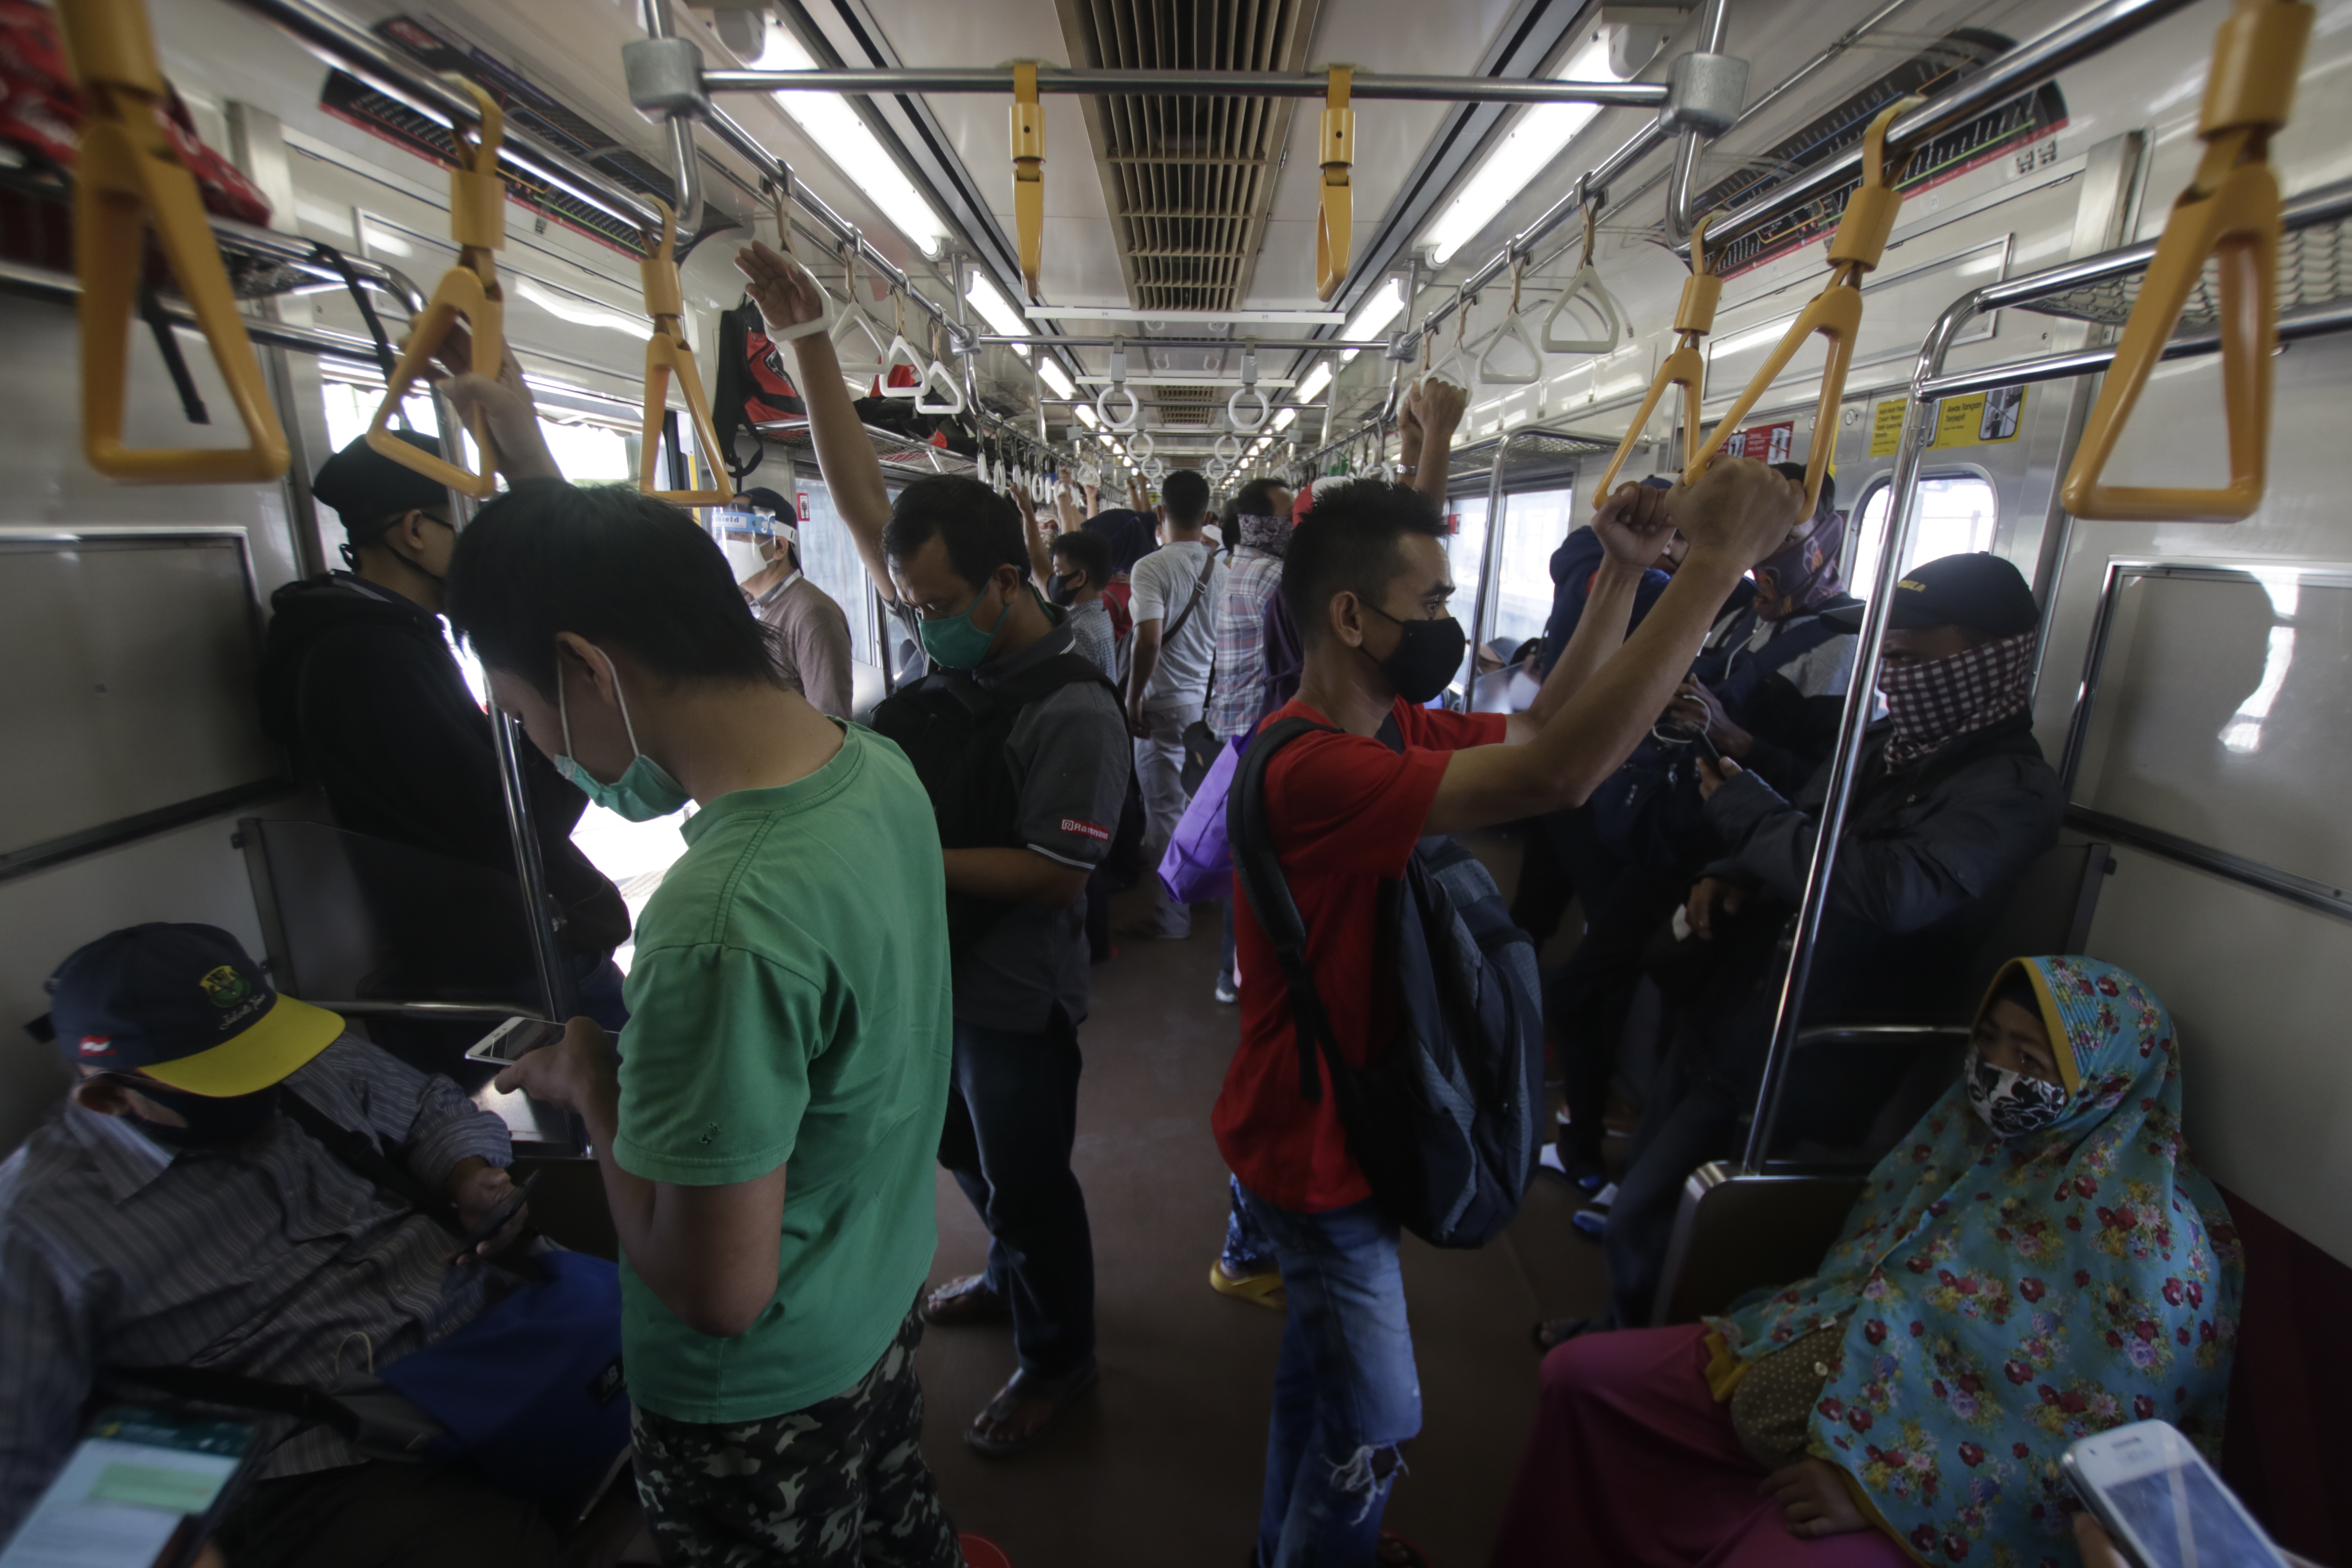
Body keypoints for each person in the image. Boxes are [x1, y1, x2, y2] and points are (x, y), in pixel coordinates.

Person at [1219, 459, 1806, 1567]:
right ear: (1352, 615)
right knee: (1372, 1430)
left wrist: (1623, 579)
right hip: (1312, 1142)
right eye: (1433, 603)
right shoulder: (1310, 769)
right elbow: (1568, 778)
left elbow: (1542, 736)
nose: (1447, 622)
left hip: (1334, 1112)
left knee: (1325, 1382)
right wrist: (1717, 565)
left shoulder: (1386, 729)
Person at [432, 356, 968, 1567]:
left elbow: (715, 1288)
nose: (540, 744)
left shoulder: (719, 922)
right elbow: (634, 722)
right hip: (875, 1295)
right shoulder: (861, 766)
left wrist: (592, 1076)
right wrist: (531, 466)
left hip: (757, 1387)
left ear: (583, 665)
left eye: (524, 712)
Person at [740, 238, 1129, 1459]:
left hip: (1010, 986)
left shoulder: (1070, 705)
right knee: (955, 1144)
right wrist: (808, 349)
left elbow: (1056, 874)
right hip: (926, 978)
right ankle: (1013, 1279)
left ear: (1005, 584)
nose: (921, 624)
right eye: (909, 607)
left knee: (1026, 1172)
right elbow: (868, 507)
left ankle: (1060, 1357)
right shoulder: (938, 624)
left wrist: (890, 853)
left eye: (939, 606)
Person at [1491, 957, 2244, 1568]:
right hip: (1831, 1367)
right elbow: (1868, 1280)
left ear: (2105, 1084)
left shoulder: (2149, 1249)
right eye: (1987, 1041)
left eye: (2031, 1058)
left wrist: (1881, 1491)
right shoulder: (1959, 1139)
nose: (1994, 1070)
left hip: (1939, 1495)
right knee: (1583, 1379)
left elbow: (2097, 1462)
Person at [1550, 550, 2067, 1345]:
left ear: (1990, 661)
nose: (1893, 675)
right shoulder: (1891, 740)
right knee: (1652, 1189)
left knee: (1672, 1216)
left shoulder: (2009, 790)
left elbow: (1888, 890)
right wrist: (1733, 872)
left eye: (1915, 658)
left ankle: (1644, 1357)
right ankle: (1624, 1333)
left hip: (1814, 1036)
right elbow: (1805, 811)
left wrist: (1747, 821)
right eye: (1887, 655)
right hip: (1742, 999)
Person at [0, 923, 583, 1566]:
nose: (267, 1083)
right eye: (231, 1077)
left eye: (264, 1054)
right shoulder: (35, 1227)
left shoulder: (298, 1068)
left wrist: (466, 1172)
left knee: (695, 1377)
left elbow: (430, 1108)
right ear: (109, 1096)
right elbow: (19, 1461)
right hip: (329, 1454)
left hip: (499, 1329)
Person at [255, 432, 630, 1048]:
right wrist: (558, 720)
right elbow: (511, 821)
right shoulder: (372, 656)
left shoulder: (385, 641)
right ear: (414, 531)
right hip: (511, 959)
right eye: (471, 530)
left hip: (498, 947)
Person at [1547, 467, 1855, 1191]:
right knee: (1630, 997)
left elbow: (1830, 781)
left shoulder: (1842, 647)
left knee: (1675, 1021)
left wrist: (1734, 737)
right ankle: (1600, 1149)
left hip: (1733, 862)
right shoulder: (1741, 616)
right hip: (1671, 830)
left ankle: (1608, 1159)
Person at [1203, 475, 1298, 1006]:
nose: (1293, 525)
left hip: (1235, 723)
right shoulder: (1277, 577)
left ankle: (1230, 970)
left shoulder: (1233, 563)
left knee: (1247, 846)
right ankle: (1250, 969)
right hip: (1264, 727)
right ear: (1263, 522)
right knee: (1263, 853)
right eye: (1287, 515)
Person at [1121, 468, 1227, 941]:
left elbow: (1148, 642)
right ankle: (1204, 896)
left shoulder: (1151, 568)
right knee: (1200, 807)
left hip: (1160, 704)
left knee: (1164, 812)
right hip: (1203, 706)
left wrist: (1132, 696)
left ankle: (1172, 920)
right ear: (1206, 517)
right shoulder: (1222, 571)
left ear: (1160, 513)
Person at [733, 485, 856, 719]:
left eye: (738, 535)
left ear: (779, 547)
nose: (727, 546)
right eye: (726, 535)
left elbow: (832, 727)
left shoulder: (814, 616)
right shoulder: (746, 608)